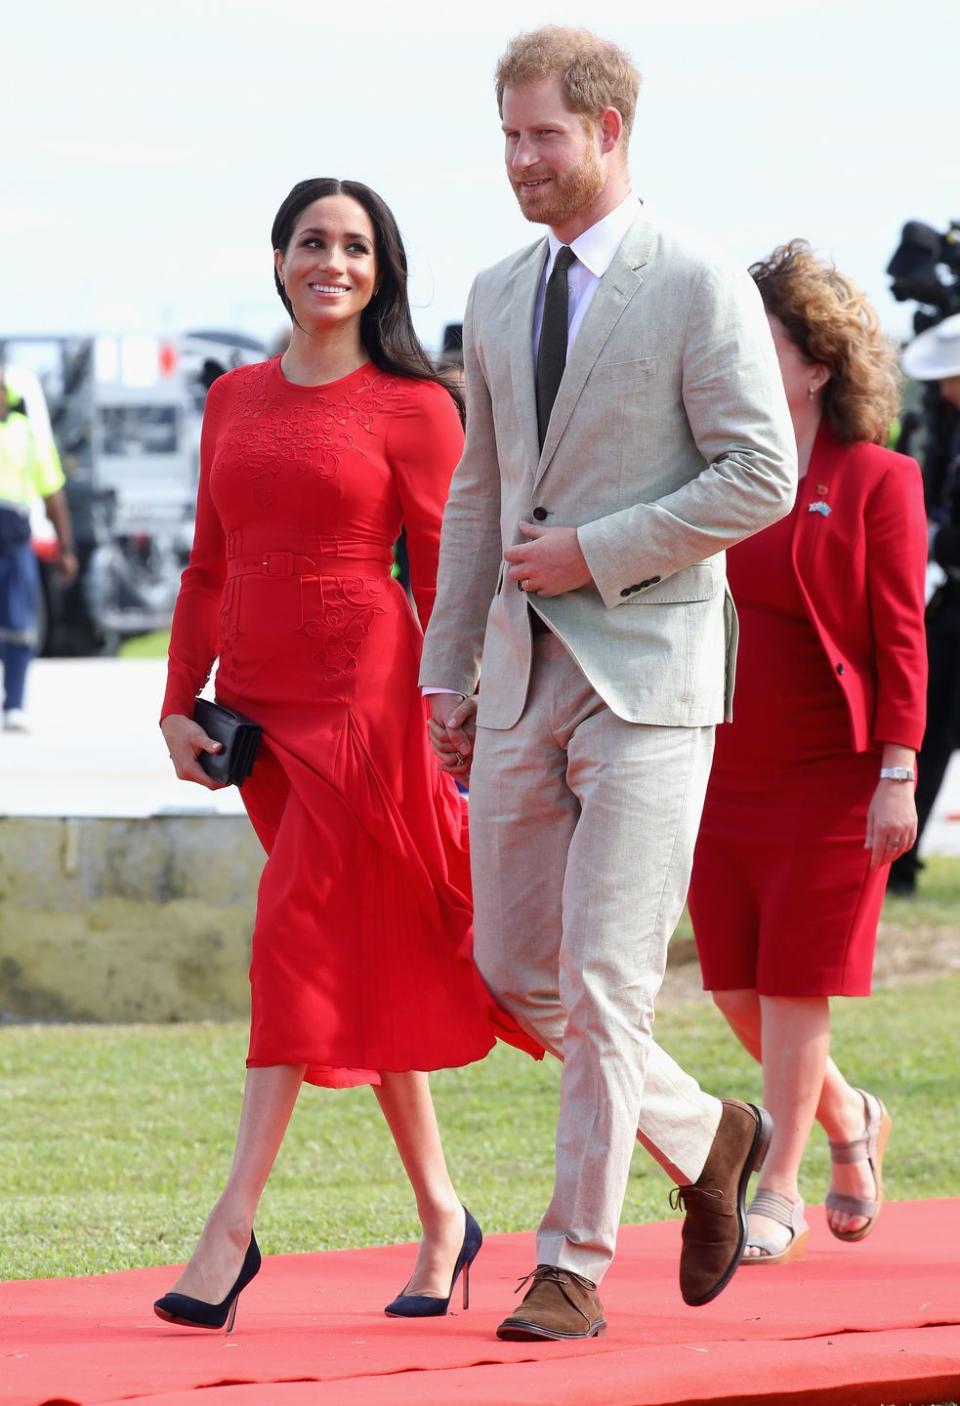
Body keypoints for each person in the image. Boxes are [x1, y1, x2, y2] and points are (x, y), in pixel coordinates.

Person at [420, 26, 797, 1341]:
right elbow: (478, 495)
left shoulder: (695, 279)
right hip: (520, 679)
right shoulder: (494, 290)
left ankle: (572, 1263)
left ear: (610, 128)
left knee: (606, 974)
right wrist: (444, 675)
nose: (522, 160)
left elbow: (762, 473)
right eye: (508, 137)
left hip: (652, 676)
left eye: (544, 136)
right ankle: (711, 1136)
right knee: (517, 963)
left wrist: (597, 552)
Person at [155, 177, 538, 1334]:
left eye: (357, 245)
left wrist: (458, 710)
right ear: (279, 259)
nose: (334, 259)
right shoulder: (232, 397)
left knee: (295, 940)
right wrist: (179, 702)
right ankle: (442, 1214)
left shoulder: (417, 405)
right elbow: (208, 567)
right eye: (313, 241)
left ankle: (230, 1228)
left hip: (370, 706)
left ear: (382, 270)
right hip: (263, 716)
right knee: (360, 959)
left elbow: (453, 571)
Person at [687, 241, 928, 1263]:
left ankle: (779, 1179)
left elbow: (900, 634)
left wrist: (899, 767)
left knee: (796, 982)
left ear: (817, 363)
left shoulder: (878, 477)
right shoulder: (708, 467)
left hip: (833, 774)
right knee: (736, 986)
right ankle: (850, 1116)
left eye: (761, 336)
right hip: (717, 765)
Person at [889, 312, 960, 896]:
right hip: (948, 597)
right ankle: (900, 865)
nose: (942, 389)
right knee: (930, 729)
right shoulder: (943, 427)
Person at [0, 367, 78, 730]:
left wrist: (65, 548)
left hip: (14, 542)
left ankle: (14, 703)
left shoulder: (27, 434)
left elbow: (53, 494)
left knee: (19, 625)